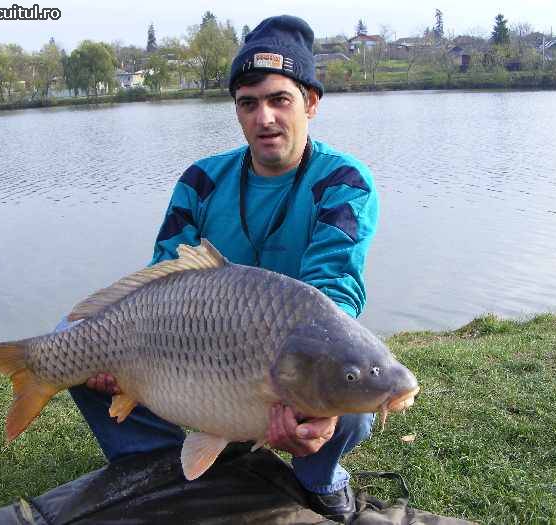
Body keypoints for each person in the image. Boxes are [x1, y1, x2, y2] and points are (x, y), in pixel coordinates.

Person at [58, 15, 379, 523]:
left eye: (279, 100)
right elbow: (165, 273)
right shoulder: (202, 180)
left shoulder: (342, 181)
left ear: (311, 103)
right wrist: (114, 350)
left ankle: (318, 479)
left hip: (287, 352)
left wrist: (321, 400)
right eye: (248, 103)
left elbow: (334, 287)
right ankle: (162, 466)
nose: (264, 118)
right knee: (73, 340)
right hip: (194, 342)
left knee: (350, 387)